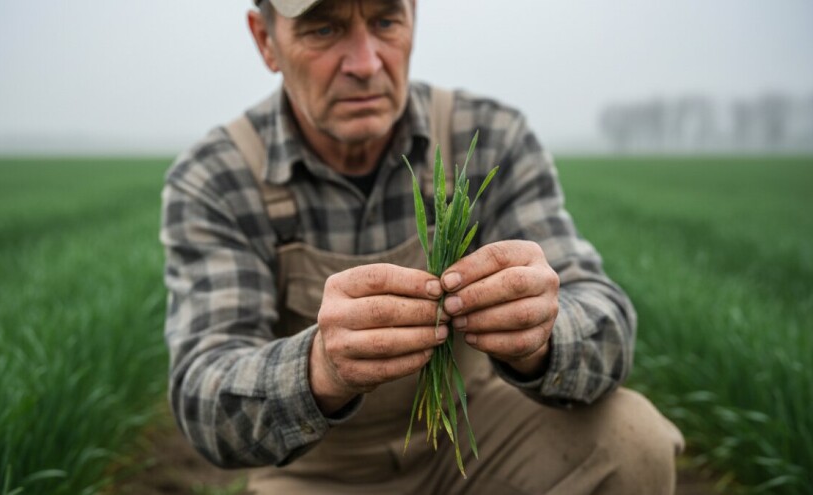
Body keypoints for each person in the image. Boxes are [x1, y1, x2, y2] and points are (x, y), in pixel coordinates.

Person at [159, 0, 685, 493]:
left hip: (476, 435)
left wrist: (543, 334)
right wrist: (320, 367)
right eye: (324, 28)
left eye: (386, 21)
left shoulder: (488, 136)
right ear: (266, 40)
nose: (365, 64)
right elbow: (204, 393)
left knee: (631, 441)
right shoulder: (218, 177)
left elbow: (606, 320)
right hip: (320, 468)